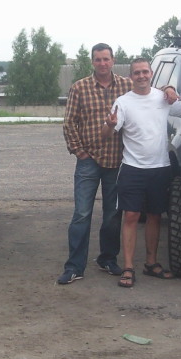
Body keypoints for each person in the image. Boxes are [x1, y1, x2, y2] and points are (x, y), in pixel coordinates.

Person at [101, 58, 181, 288]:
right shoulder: (123, 102)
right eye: (136, 73)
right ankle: (128, 267)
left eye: (144, 72)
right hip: (132, 168)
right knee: (131, 216)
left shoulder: (163, 98)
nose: (141, 76)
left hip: (160, 167)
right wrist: (110, 125)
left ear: (151, 73)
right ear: (131, 77)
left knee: (154, 216)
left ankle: (151, 263)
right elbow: (106, 134)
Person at [59, 43, 133, 285]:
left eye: (106, 59)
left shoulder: (127, 86)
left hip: (116, 159)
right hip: (88, 161)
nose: (102, 63)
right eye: (98, 59)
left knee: (113, 215)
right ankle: (74, 266)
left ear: (113, 60)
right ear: (92, 62)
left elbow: (149, 90)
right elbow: (69, 123)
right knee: (82, 214)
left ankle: (107, 259)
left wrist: (170, 90)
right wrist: (79, 152)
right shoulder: (79, 87)